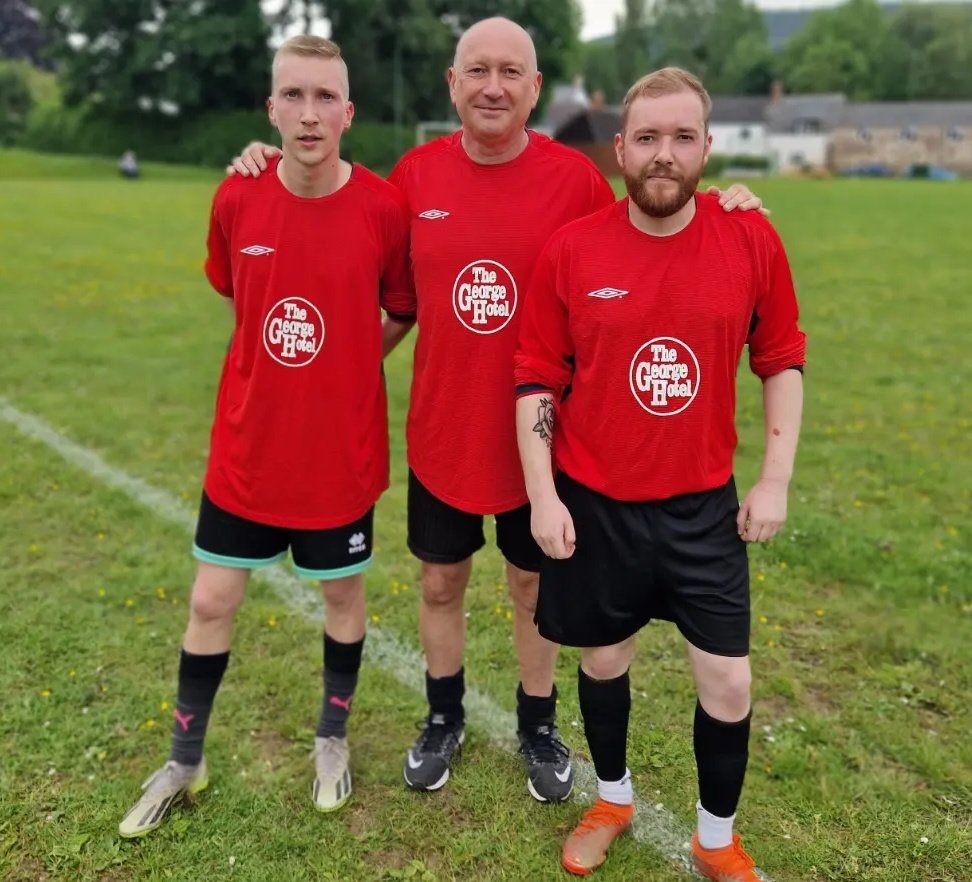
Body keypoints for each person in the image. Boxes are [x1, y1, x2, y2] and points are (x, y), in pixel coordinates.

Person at [230, 18, 765, 804]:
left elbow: (662, 205)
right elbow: (356, 251)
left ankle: (536, 724)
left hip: (546, 443)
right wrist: (264, 162)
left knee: (530, 588)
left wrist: (727, 202)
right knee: (441, 583)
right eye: (476, 70)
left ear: (535, 89)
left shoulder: (578, 182)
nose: (492, 86)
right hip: (444, 432)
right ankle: (442, 716)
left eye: (510, 72)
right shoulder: (412, 177)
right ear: (452, 85)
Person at [118, 35, 414, 838]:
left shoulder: (385, 209)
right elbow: (239, 298)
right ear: (271, 109)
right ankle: (184, 759)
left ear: (349, 113)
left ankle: (331, 741)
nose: (310, 113)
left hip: (339, 457)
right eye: (294, 96)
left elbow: (402, 305)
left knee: (343, 598)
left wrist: (351, 365)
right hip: (248, 448)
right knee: (212, 597)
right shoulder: (236, 199)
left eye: (326, 98)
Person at [514, 67, 805, 879]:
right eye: (648, 138)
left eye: (682, 137)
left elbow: (781, 357)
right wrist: (543, 493)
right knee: (604, 662)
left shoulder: (750, 238)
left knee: (729, 683)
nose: (664, 154)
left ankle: (716, 841)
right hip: (597, 505)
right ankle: (613, 798)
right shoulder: (573, 251)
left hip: (703, 511)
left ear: (708, 147)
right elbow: (537, 374)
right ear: (620, 150)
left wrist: (775, 478)